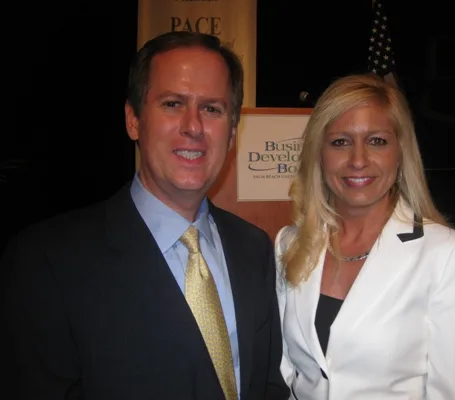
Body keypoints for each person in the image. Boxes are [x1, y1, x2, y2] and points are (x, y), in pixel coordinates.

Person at [1, 31, 289, 400]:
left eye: (212, 109)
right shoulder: (46, 262)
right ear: (133, 120)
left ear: (232, 133)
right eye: (172, 103)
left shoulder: (254, 249)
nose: (193, 126)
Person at [275, 73, 455, 399]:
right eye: (340, 142)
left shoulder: (448, 254)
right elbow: (286, 373)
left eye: (377, 141)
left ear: (400, 153)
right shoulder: (289, 243)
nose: (358, 160)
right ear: (319, 154)